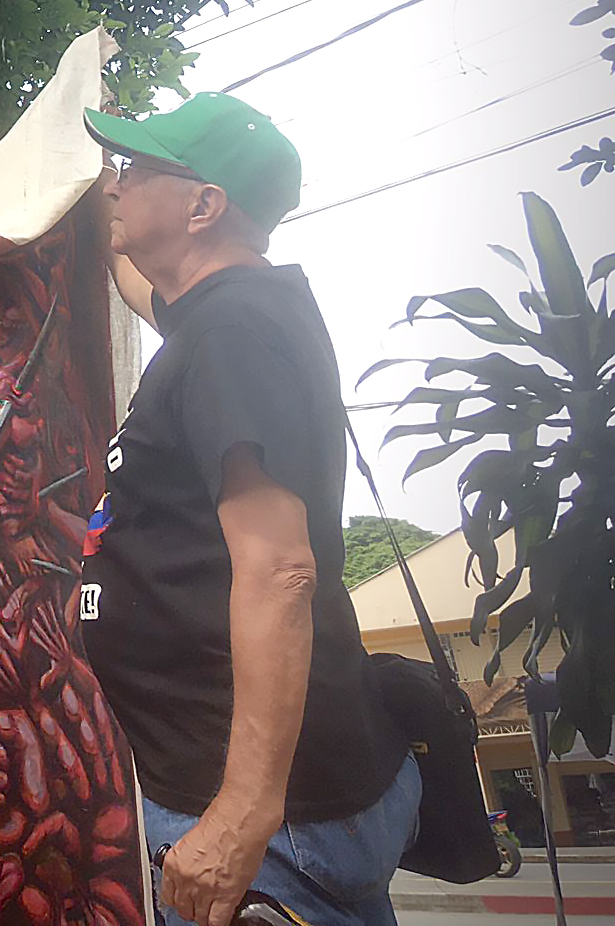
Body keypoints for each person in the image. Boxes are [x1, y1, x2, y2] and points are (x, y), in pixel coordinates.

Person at [77, 92, 418, 926]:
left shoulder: (230, 333)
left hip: (266, 826)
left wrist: (242, 816)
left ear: (203, 205)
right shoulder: (223, 318)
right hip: (279, 807)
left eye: (136, 169)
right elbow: (141, 289)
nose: (119, 185)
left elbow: (279, 569)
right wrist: (87, 191)